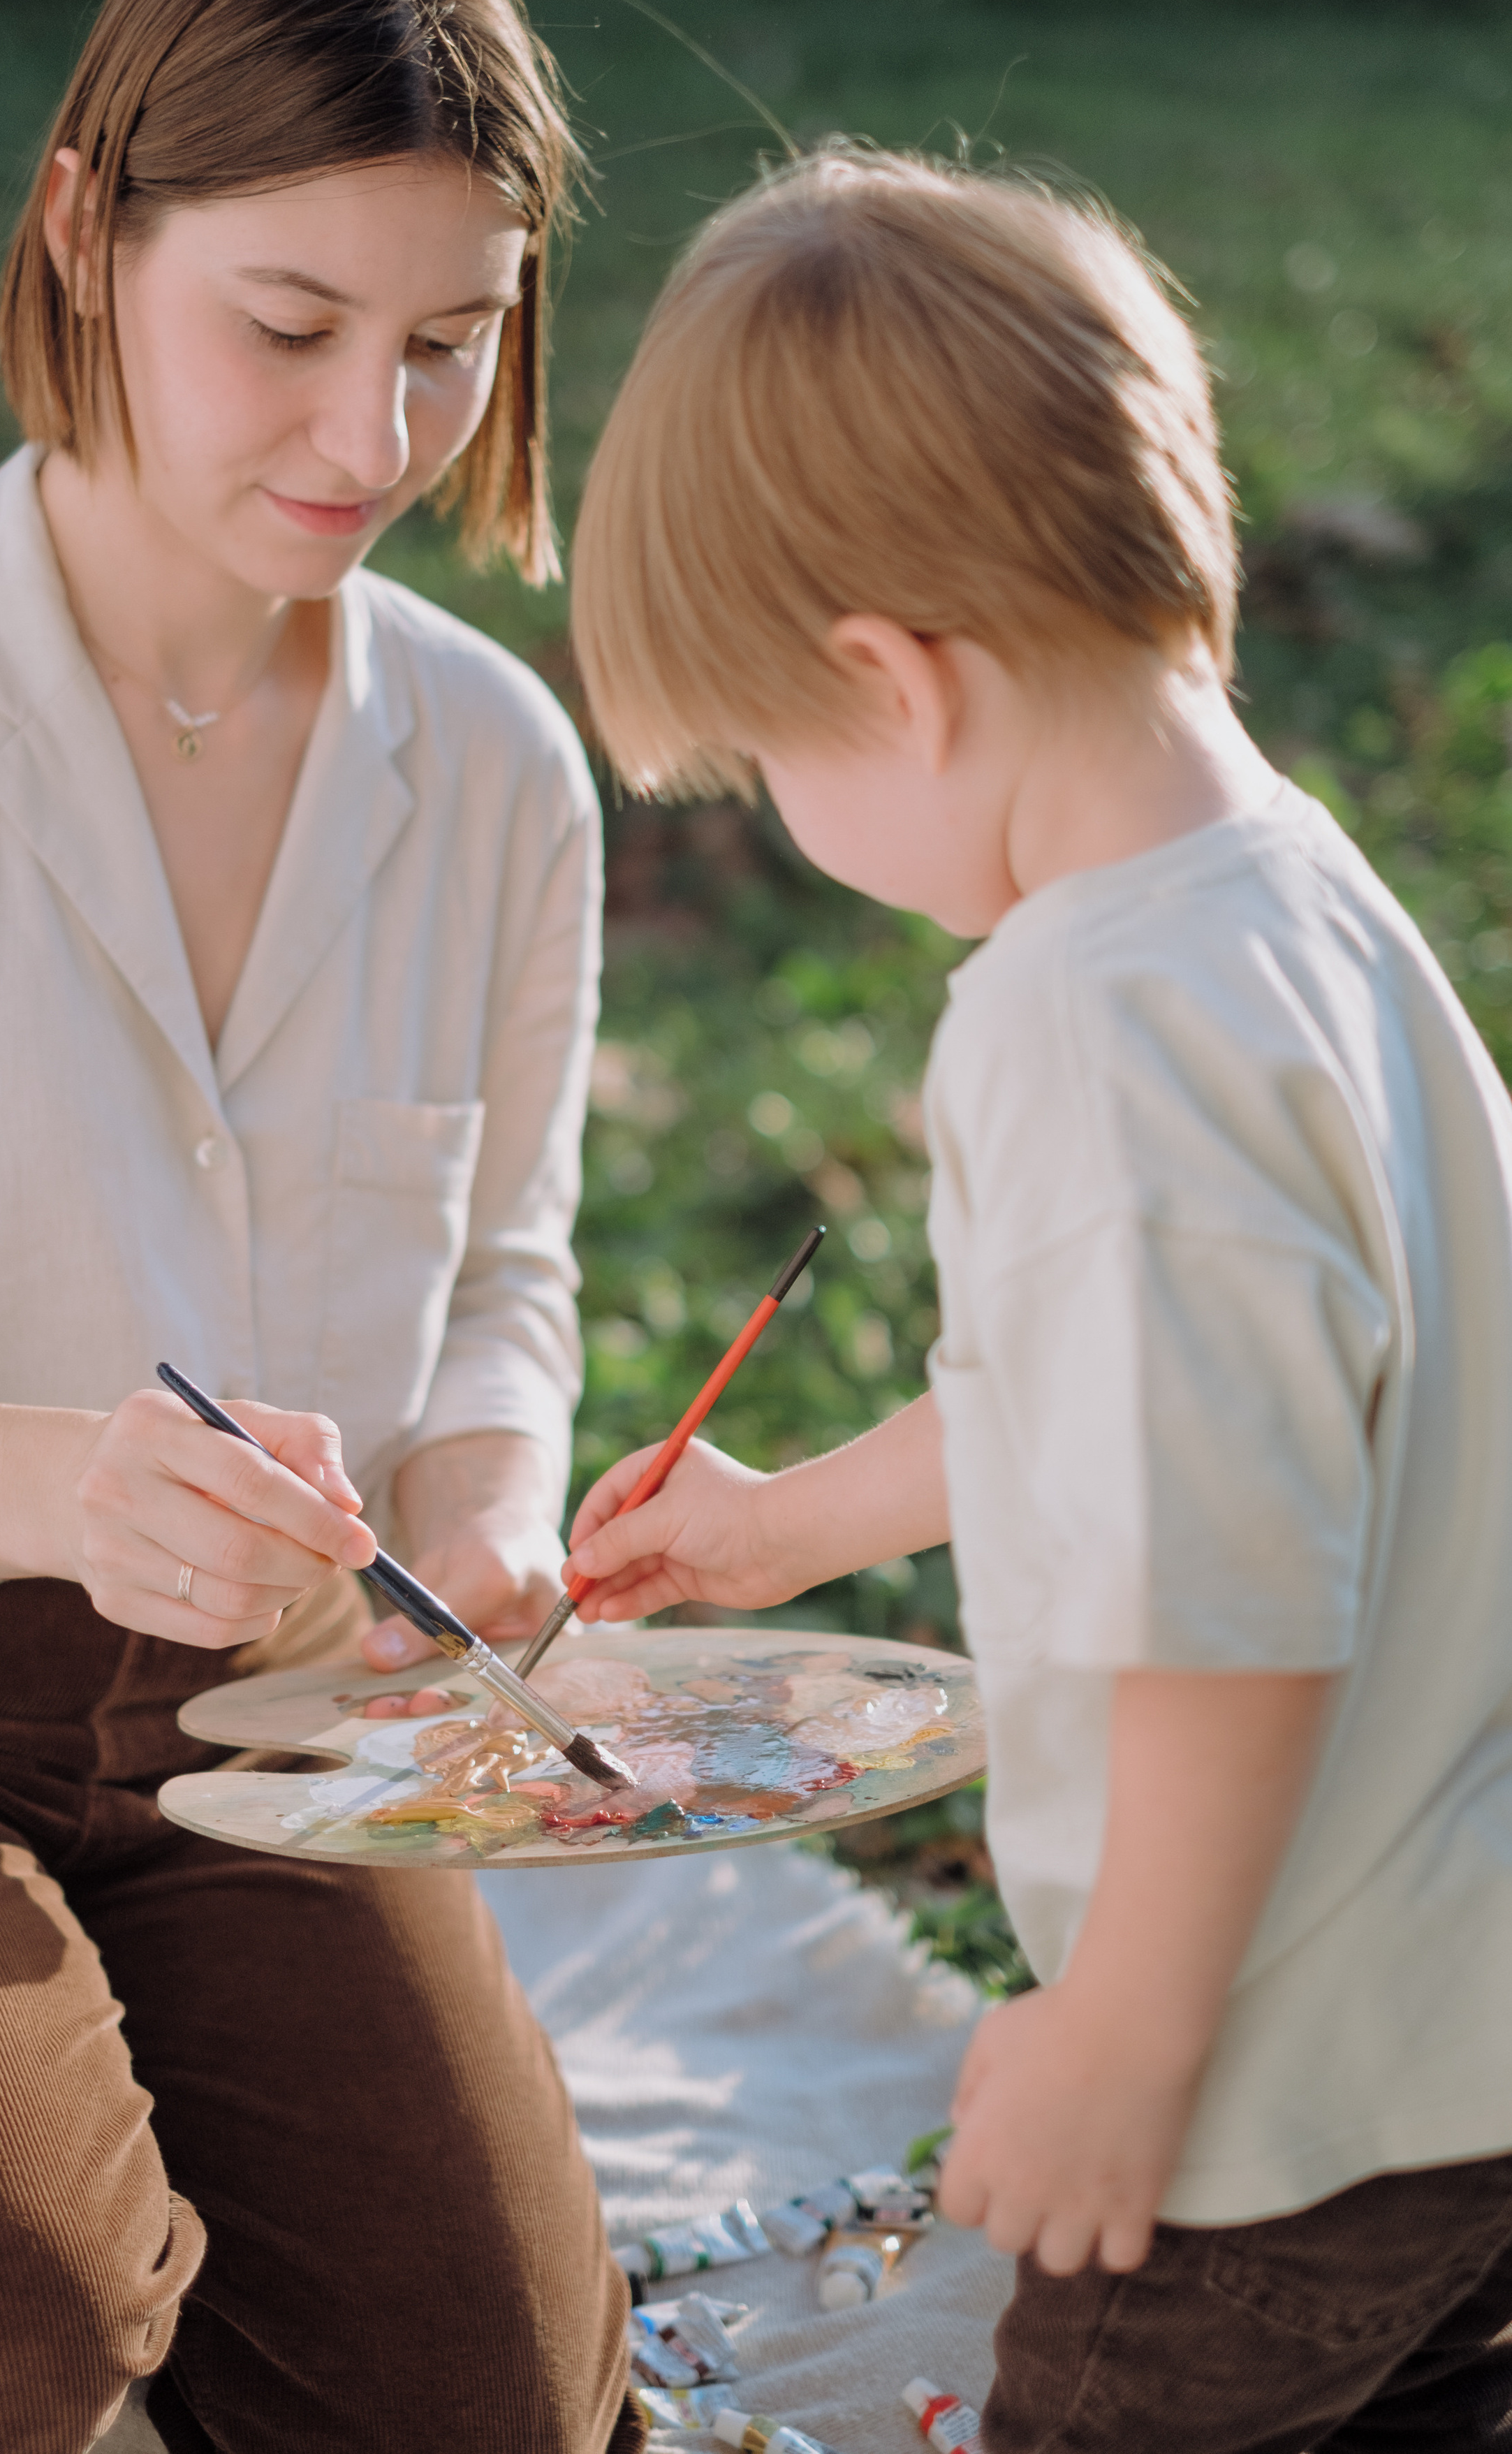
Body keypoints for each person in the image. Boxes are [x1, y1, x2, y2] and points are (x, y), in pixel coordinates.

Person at [0, 0, 640, 2454]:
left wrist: (491, 1508)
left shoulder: (494, 770)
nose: (378, 438)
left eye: (453, 348)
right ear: (81, 232)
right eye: (290, 330)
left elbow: (510, 1280)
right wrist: (64, 1492)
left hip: (280, 1719)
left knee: (506, 2416)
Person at [564, 147, 1512, 2451]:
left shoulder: (1083, 1023)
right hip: (1463, 2018)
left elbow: (1232, 1607)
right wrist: (799, 1533)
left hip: (1272, 2092)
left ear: (893, 685)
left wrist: (1120, 2043)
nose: (789, 808)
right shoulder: (1287, 900)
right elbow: (1171, 1404)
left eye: (771, 758)